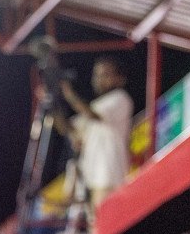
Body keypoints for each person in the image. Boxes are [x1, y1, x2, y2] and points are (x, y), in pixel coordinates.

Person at [55, 56, 133, 209]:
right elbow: (67, 128)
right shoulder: (96, 105)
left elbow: (92, 115)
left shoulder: (121, 99)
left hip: (109, 176)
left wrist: (68, 94)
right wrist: (52, 104)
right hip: (92, 180)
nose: (99, 79)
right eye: (97, 75)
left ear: (120, 79)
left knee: (106, 225)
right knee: (96, 228)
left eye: (105, 74)